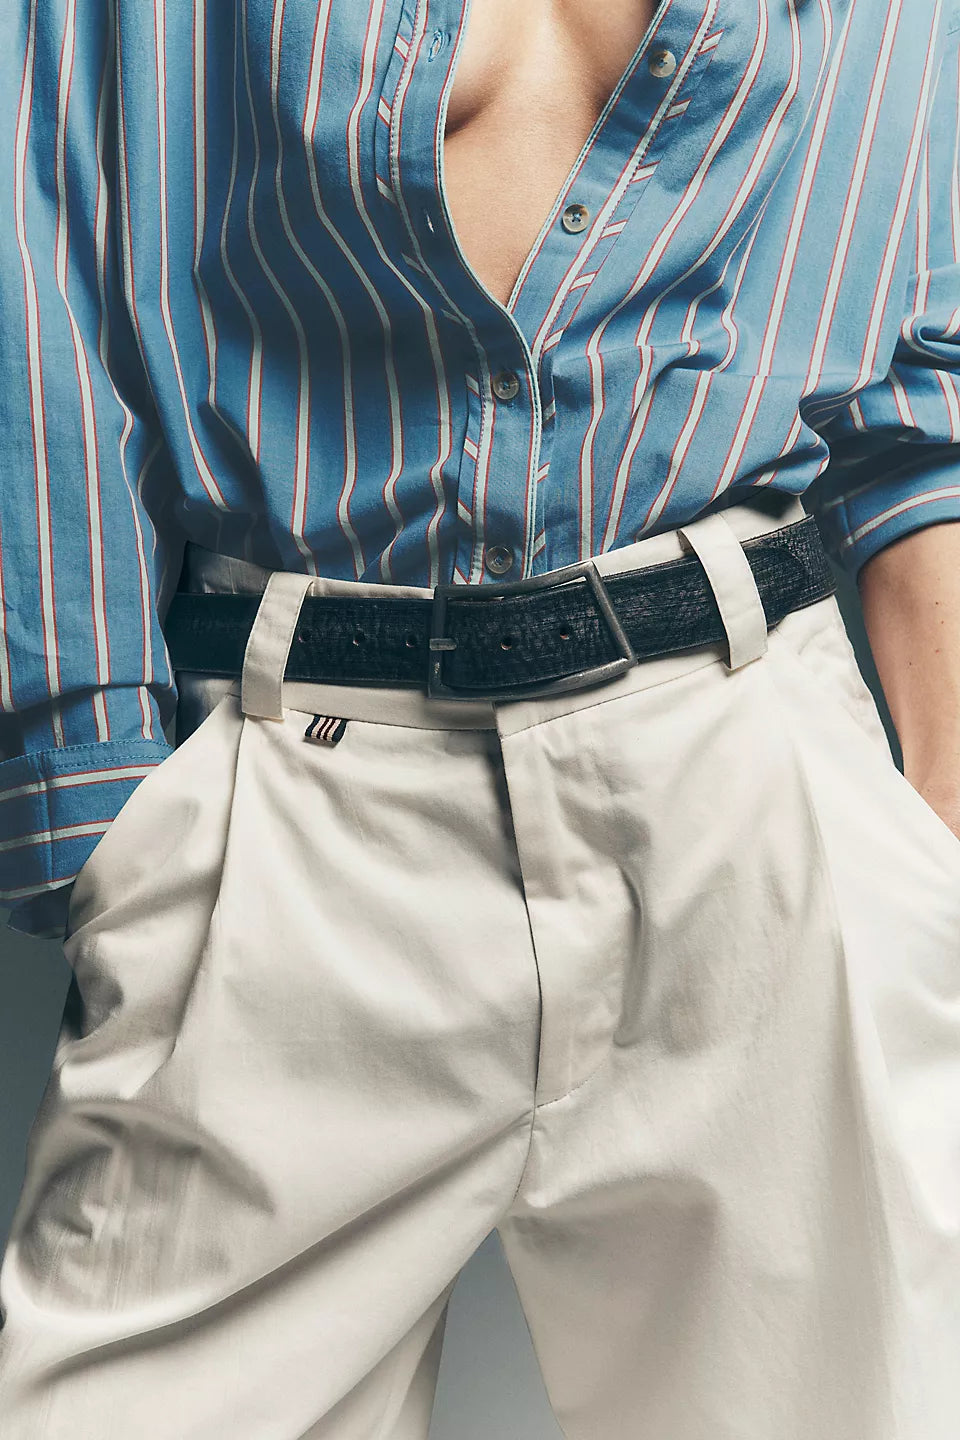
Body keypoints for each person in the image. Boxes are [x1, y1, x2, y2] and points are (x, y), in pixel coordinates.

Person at [1, 1, 960, 1435]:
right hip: (304, 798)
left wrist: (936, 842)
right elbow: (41, 282)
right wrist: (106, 825)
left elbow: (925, 374)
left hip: (757, 786)